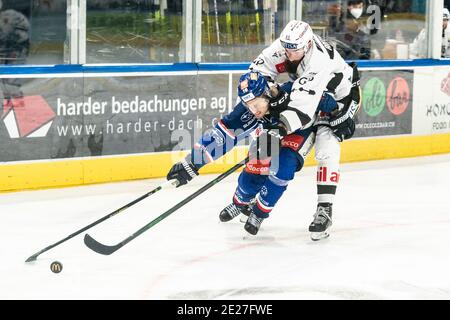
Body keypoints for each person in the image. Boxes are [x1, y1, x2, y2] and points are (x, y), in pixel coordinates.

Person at [167, 20, 360, 240]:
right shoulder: (285, 48)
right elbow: (255, 77)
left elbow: (301, 109)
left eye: (293, 48)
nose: (287, 51)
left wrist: (279, 127)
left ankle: (325, 209)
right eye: (285, 46)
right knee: (260, 143)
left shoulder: (319, 61)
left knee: (327, 146)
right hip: (305, 95)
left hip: (339, 99)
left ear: (306, 46)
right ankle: (245, 198)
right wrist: (192, 163)